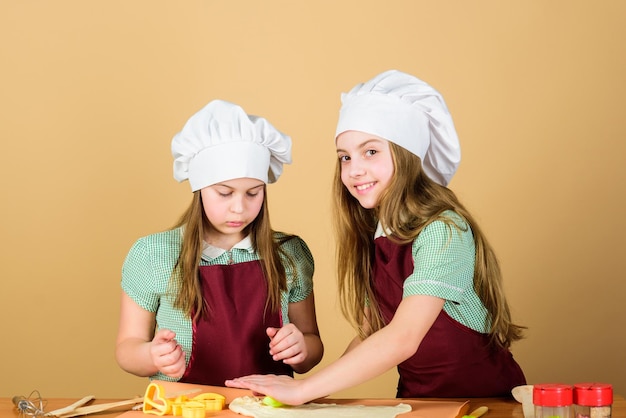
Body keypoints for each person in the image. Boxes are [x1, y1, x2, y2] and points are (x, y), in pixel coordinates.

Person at [226, 70, 526, 403]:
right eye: (345, 157)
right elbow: (373, 333)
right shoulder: (378, 236)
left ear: (406, 155)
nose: (354, 169)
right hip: (418, 404)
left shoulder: (444, 230)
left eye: (371, 152)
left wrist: (305, 388)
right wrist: (318, 394)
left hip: (483, 402)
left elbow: (403, 337)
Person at [115, 99, 324, 386]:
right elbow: (127, 347)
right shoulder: (153, 254)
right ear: (200, 189)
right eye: (224, 193)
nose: (239, 207)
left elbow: (312, 344)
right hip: (184, 409)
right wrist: (152, 355)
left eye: (253, 192)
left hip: (268, 408)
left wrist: (301, 349)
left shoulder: (289, 253)